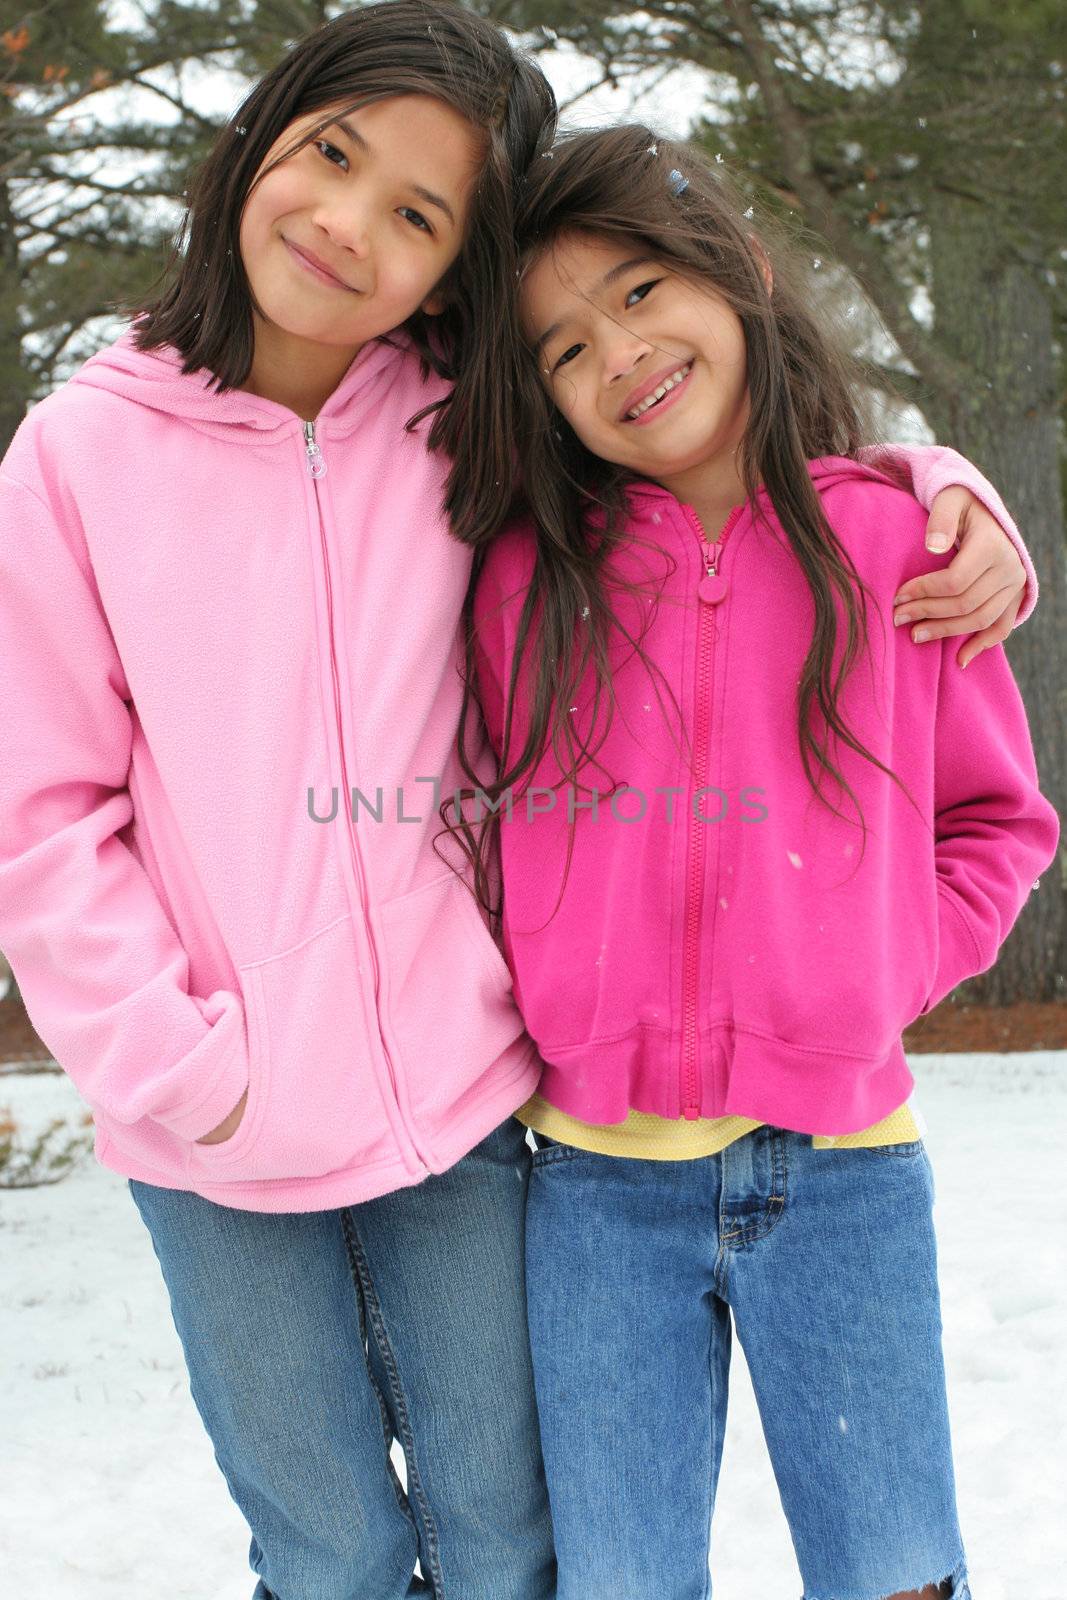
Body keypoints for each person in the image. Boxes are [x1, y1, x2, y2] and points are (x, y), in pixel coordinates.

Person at [0, 1, 1037, 1590]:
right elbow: (41, 808)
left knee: (521, 1543)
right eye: (334, 156)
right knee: (333, 1548)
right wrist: (175, 1066)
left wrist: (937, 489)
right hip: (244, 1131)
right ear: (261, 134)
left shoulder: (458, 434)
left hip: (492, 1108)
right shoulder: (88, 460)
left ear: (449, 269)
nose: (350, 225)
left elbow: (751, 524)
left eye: (417, 215)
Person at [466, 125, 1060, 1600]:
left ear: (734, 277)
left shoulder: (897, 544)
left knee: (897, 1572)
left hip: (845, 1178)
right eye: (561, 348)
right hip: (596, 1192)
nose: (619, 352)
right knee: (620, 1579)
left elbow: (999, 825)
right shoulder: (531, 578)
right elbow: (466, 818)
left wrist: (886, 967)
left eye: (642, 289)